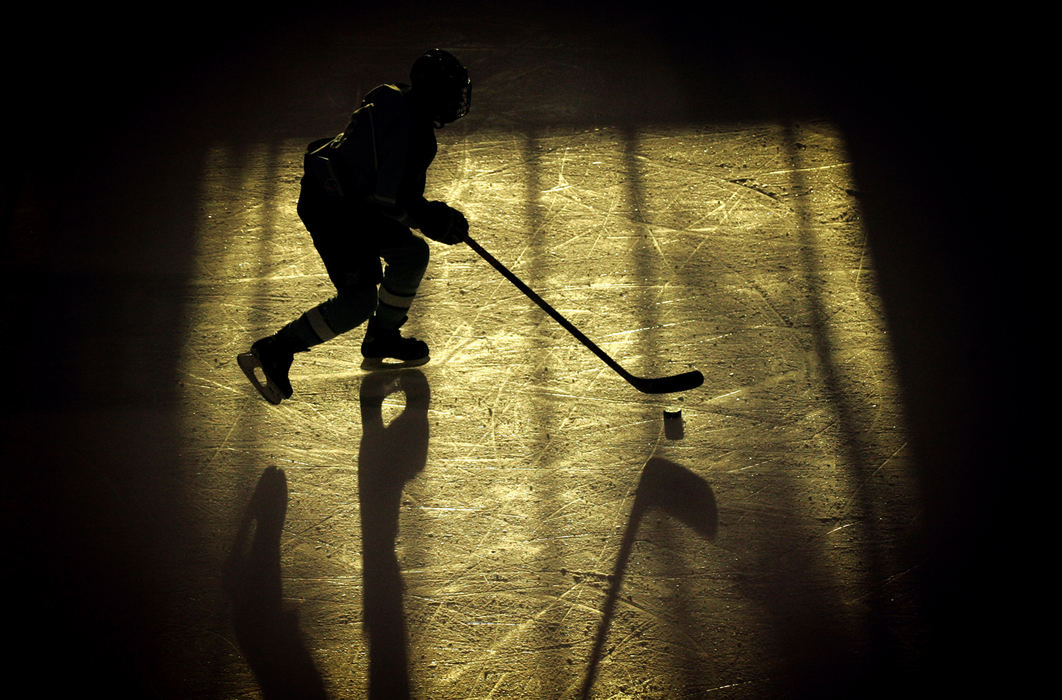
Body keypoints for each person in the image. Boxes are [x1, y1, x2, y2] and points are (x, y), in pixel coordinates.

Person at [238, 49, 472, 404]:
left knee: (411, 254)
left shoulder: (392, 96)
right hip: (334, 211)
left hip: (350, 202)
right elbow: (391, 200)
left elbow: (385, 190)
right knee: (358, 301)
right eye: (451, 93)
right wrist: (430, 219)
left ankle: (382, 337)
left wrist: (426, 215)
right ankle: (275, 349)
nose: (458, 100)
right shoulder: (416, 134)